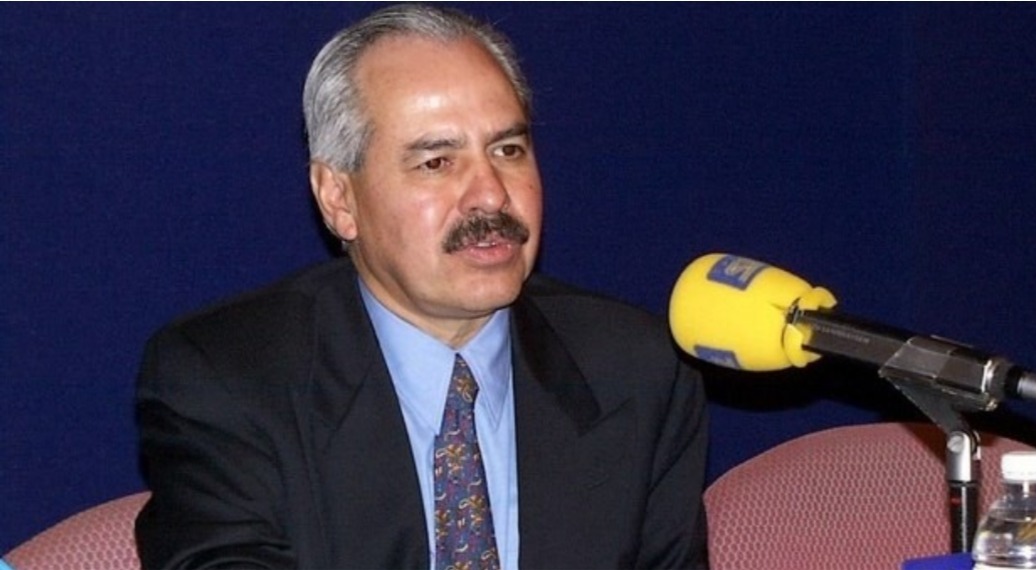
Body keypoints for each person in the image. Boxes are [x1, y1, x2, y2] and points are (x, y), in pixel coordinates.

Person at [134, 4, 708, 569]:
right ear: (339, 199)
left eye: (508, 150)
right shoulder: (227, 384)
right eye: (437, 162)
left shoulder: (635, 368)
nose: (491, 194)